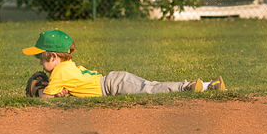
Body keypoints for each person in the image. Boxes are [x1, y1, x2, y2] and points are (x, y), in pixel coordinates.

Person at [22, 29, 224, 98]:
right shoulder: (64, 69)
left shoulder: (58, 73)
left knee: (150, 89)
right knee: (150, 87)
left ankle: (188, 86)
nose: (40, 63)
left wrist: (39, 92)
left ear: (54, 58)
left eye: (41, 57)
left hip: (113, 85)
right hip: (111, 82)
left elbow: (46, 99)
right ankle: (210, 85)